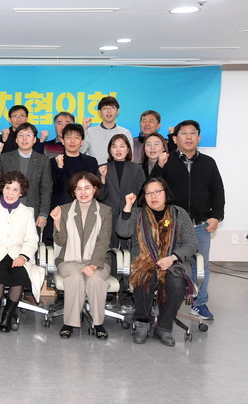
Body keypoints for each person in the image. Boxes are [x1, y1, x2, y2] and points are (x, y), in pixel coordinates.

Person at [156, 120, 224, 320]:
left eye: (192, 133)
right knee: (166, 263)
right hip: (171, 224)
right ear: (175, 139)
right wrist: (159, 167)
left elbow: (217, 191)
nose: (188, 137)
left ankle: (199, 303)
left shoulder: (208, 163)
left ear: (198, 138)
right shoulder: (167, 161)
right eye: (183, 133)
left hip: (200, 225)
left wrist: (216, 216)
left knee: (201, 265)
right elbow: (154, 188)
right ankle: (161, 302)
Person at [117, 178, 198, 346]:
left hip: (173, 262)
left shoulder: (179, 214)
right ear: (144, 196)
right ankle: (142, 323)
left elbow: (191, 244)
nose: (153, 196)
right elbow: (123, 232)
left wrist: (172, 258)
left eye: (157, 192)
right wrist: (128, 206)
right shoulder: (137, 213)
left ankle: (164, 326)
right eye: (149, 193)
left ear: (165, 193)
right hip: (143, 260)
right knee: (144, 276)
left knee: (176, 283)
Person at [0, 171, 43, 333]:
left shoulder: (27, 212)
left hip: (17, 254)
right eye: (7, 188)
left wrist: (23, 256)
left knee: (18, 275)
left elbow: (32, 240)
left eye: (15, 190)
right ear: (2, 189)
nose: (10, 193)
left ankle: (7, 315)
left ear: (21, 192)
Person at [50, 172, 113, 340]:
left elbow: (103, 241)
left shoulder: (105, 211)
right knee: (76, 279)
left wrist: (93, 265)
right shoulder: (64, 210)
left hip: (98, 260)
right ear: (73, 191)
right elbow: (60, 241)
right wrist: (57, 222)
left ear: (95, 189)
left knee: (95, 280)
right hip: (69, 259)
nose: (83, 192)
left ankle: (98, 323)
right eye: (78, 189)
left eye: (87, 188)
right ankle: (69, 323)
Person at [0, 122, 52, 230]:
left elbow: (46, 189)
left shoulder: (43, 160)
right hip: (7, 211)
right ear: (16, 139)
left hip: (32, 212)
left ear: (34, 140)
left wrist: (43, 214)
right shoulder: (5, 157)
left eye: (28, 135)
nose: (24, 138)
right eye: (21, 135)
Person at [44, 123, 99, 245]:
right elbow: (51, 189)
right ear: (62, 141)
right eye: (68, 137)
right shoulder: (53, 162)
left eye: (77, 137)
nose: (72, 141)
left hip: (85, 213)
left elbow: (95, 189)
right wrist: (59, 168)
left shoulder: (91, 162)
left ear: (82, 142)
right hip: (60, 213)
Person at [98, 134, 146, 248]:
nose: (118, 150)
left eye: (122, 146)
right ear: (110, 150)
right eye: (114, 146)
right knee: (110, 249)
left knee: (130, 248)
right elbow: (100, 196)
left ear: (128, 149)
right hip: (110, 214)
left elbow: (142, 194)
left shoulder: (137, 168)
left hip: (130, 214)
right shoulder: (103, 168)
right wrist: (103, 178)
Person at [82, 96, 133, 165]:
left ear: (117, 111)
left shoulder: (125, 133)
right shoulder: (90, 131)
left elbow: (130, 157)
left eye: (112, 107)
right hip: (95, 171)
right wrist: (84, 130)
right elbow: (80, 152)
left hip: (119, 170)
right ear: (100, 112)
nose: (109, 111)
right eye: (105, 108)